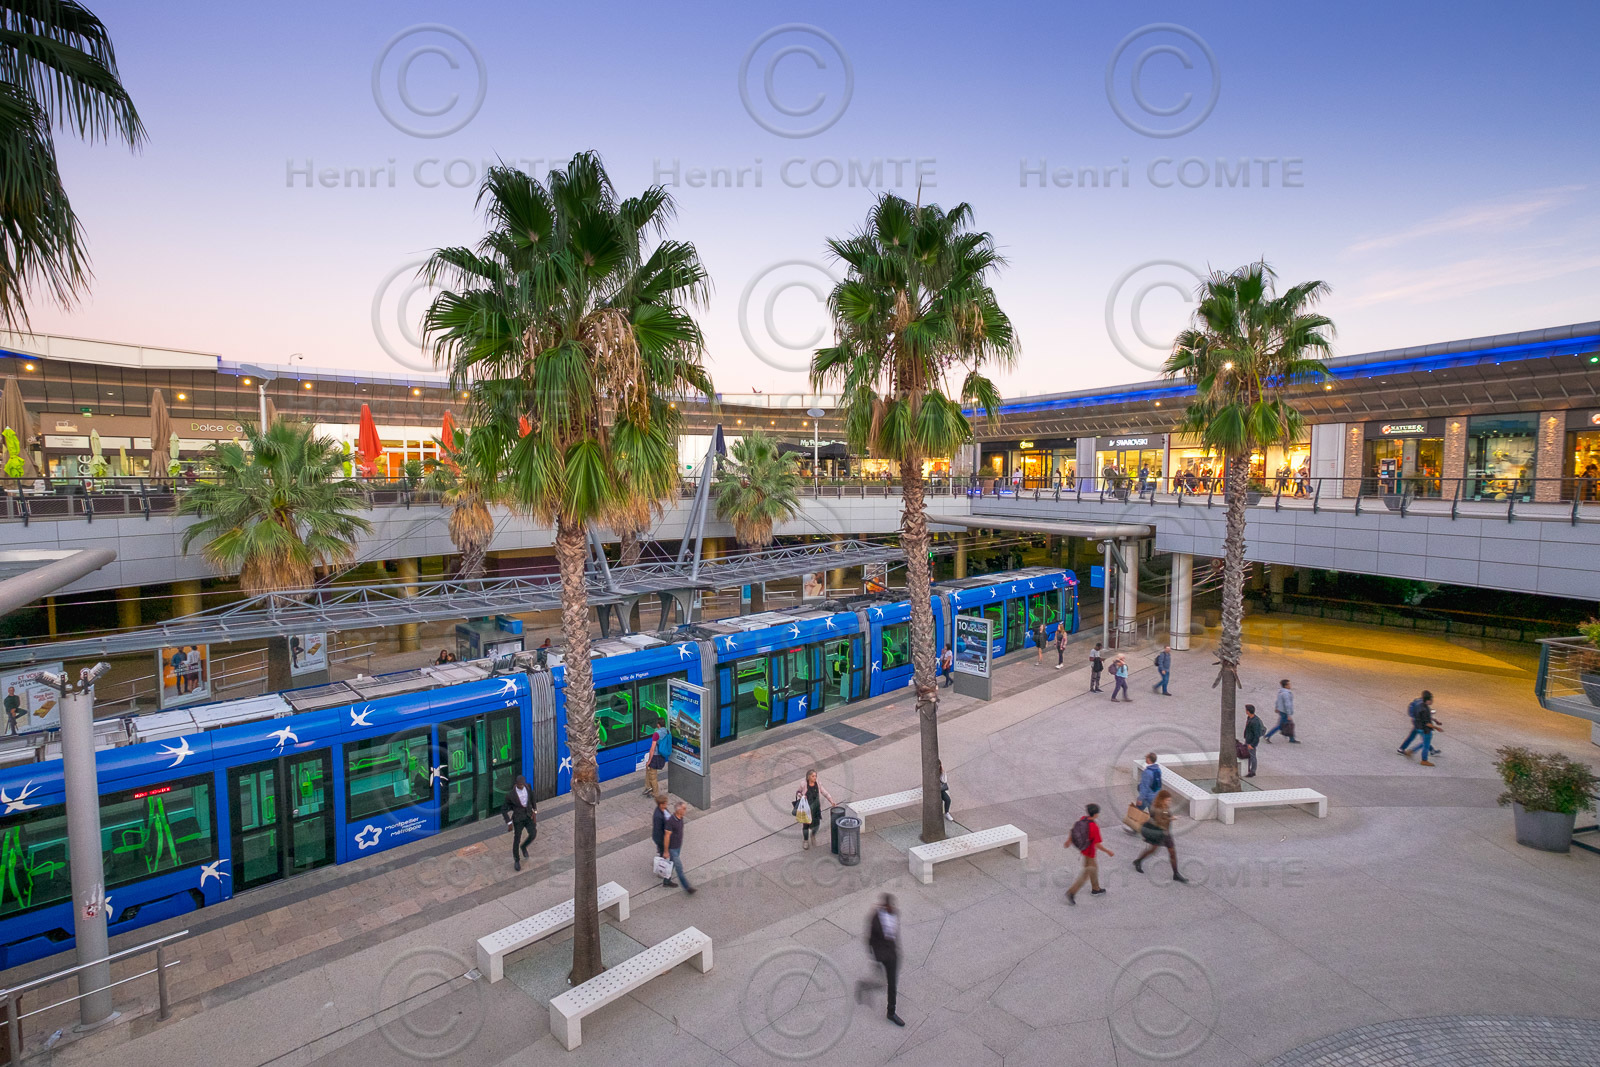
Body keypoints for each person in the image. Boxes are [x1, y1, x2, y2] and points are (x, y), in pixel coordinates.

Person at [855, 894, 904, 1026]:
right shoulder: (875, 918)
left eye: (892, 906)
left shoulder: (895, 914)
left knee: (892, 984)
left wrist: (896, 950)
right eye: (888, 906)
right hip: (882, 955)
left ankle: (891, 1012)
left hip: (892, 955)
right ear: (884, 906)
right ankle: (863, 986)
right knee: (880, 983)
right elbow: (869, 939)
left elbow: (895, 934)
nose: (891, 908)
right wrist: (875, 956)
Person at [1132, 790, 1188, 883]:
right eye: (1167, 800)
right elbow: (1160, 822)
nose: (1169, 802)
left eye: (1170, 800)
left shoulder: (1164, 806)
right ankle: (1138, 861)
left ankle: (1176, 874)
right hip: (1159, 833)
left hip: (1166, 833)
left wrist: (1169, 817)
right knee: (1152, 850)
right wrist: (1172, 818)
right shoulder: (1157, 809)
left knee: (1172, 852)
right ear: (1162, 800)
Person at [1066, 803, 1112, 905]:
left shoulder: (1083, 819)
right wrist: (1108, 851)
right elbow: (1097, 845)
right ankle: (1072, 892)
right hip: (1090, 853)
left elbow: (1073, 830)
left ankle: (1096, 888)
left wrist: (1069, 840)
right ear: (1095, 814)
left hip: (1084, 850)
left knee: (1094, 868)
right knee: (1086, 873)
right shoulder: (1094, 827)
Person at [502, 774, 536, 872]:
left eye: (523, 784)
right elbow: (503, 810)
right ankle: (516, 860)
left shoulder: (528, 787)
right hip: (518, 819)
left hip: (528, 816)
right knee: (517, 839)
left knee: (533, 833)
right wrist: (509, 822)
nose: (522, 786)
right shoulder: (510, 795)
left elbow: (532, 798)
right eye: (520, 784)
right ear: (516, 784)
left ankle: (524, 846)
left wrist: (535, 810)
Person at [795, 769, 836, 850]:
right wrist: (802, 796)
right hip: (807, 809)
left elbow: (825, 793)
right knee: (806, 825)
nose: (815, 778)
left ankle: (813, 834)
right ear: (808, 777)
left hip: (816, 808)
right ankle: (806, 840)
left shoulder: (818, 784)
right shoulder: (803, 784)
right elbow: (798, 792)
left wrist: (832, 801)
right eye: (813, 776)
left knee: (816, 825)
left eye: (815, 776)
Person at [661, 800, 695, 894]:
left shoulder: (680, 818)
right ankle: (687, 888)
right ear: (678, 810)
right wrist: (666, 851)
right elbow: (667, 836)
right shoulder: (671, 821)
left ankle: (666, 881)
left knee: (672, 864)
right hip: (673, 849)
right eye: (684, 808)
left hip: (678, 846)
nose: (685, 810)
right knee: (679, 868)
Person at [1402, 696, 1441, 766]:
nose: (1432, 701)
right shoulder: (1424, 709)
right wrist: (1436, 727)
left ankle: (1404, 749)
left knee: (1419, 739)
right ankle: (1422, 759)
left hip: (1418, 726)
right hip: (1424, 728)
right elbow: (1427, 722)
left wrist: (1435, 720)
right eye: (1431, 700)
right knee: (1425, 743)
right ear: (1427, 700)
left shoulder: (1419, 705)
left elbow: (1425, 716)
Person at [651, 794, 676, 887]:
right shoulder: (658, 816)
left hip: (662, 837)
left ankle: (661, 867)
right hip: (661, 838)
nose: (667, 804)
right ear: (661, 804)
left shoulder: (663, 810)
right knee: (670, 856)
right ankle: (666, 877)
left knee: (663, 853)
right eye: (665, 803)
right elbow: (660, 831)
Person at [1398, 690, 1433, 758]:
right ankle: (1412, 750)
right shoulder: (1422, 706)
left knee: (1412, 736)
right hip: (1420, 725)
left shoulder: (1418, 701)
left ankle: (1401, 748)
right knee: (1425, 740)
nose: (1432, 701)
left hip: (1416, 722)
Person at [643, 721, 670, 798]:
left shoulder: (656, 734)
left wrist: (649, 760)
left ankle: (655, 793)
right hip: (662, 755)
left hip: (655, 756)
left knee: (653, 776)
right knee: (649, 771)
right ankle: (648, 787)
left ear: (658, 725)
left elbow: (652, 748)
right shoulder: (667, 731)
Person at [1242, 704, 1264, 777]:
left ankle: (1252, 771)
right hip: (1248, 739)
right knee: (1249, 755)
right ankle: (1248, 769)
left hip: (1251, 742)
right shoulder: (1249, 718)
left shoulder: (1255, 722)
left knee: (1252, 756)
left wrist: (1253, 744)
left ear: (1248, 711)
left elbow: (1256, 735)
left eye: (1246, 710)